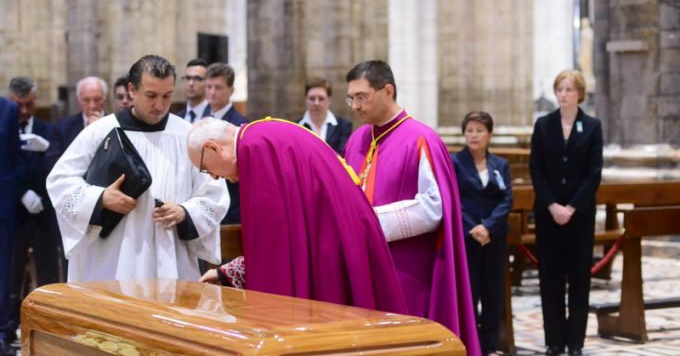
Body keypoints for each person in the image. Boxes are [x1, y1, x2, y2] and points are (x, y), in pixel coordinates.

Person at [190, 117, 407, 314]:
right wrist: (230, 272)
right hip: (342, 239)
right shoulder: (261, 134)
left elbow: (275, 254)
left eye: (207, 169)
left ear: (213, 148)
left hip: (331, 249)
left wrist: (232, 273)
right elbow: (283, 238)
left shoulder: (256, 150)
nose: (215, 177)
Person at [46, 54, 228, 282]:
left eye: (167, 96)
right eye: (151, 96)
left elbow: (214, 194)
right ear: (132, 90)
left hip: (169, 256)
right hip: (111, 258)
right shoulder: (100, 131)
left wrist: (184, 211)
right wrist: (100, 197)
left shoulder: (186, 135)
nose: (159, 105)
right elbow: (59, 181)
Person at [342, 60, 481, 355]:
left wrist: (368, 223)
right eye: (351, 98)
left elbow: (433, 208)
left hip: (407, 270)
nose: (354, 106)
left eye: (361, 96)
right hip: (362, 265)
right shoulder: (356, 140)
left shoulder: (421, 138)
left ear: (387, 91)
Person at [530, 69, 603, 356]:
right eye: (560, 89)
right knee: (550, 278)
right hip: (549, 214)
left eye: (569, 89)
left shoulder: (593, 126)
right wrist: (552, 205)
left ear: (579, 94)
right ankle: (554, 341)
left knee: (579, 279)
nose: (563, 94)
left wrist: (571, 207)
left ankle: (575, 342)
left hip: (579, 216)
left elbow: (594, 173)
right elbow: (537, 169)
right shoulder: (543, 124)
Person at [451, 111, 512, 356]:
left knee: (493, 293)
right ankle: (471, 345)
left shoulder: (500, 164)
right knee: (470, 291)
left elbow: (506, 200)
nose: (474, 135)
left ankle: (489, 346)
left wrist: (488, 227)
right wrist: (473, 227)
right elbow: (453, 199)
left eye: (479, 130)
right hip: (468, 238)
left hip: (494, 238)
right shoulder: (454, 162)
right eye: (469, 130)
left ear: (490, 134)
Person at [7, 77, 62, 344]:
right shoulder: (5, 127)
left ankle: (49, 329)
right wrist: (20, 193)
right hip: (15, 214)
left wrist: (47, 149)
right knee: (11, 272)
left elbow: (59, 169)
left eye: (29, 104)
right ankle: (7, 329)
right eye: (20, 105)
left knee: (48, 271)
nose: (25, 111)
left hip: (43, 212)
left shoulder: (48, 130)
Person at [204, 62, 247, 224]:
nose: (212, 92)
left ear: (231, 91)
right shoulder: (202, 121)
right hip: (205, 204)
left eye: (218, 87)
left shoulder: (239, 125)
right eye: (209, 87)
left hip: (231, 207)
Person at [44, 76, 108, 172]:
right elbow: (51, 161)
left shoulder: (115, 124)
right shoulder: (63, 126)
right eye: (86, 100)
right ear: (79, 101)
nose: (92, 106)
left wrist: (98, 129)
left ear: (104, 99)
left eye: (97, 99)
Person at [0, 97, 21, 355]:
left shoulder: (8, 109)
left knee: (3, 271)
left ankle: (2, 332)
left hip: (1, 206)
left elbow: (15, 157)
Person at [297, 77, 352, 153]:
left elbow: (343, 154)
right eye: (312, 98)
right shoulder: (296, 126)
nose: (316, 103)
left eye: (321, 99)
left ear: (329, 100)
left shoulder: (343, 125)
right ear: (306, 99)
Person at [176, 58, 210, 123]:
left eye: (197, 78)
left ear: (208, 82)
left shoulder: (215, 117)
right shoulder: (178, 118)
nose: (191, 83)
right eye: (188, 78)